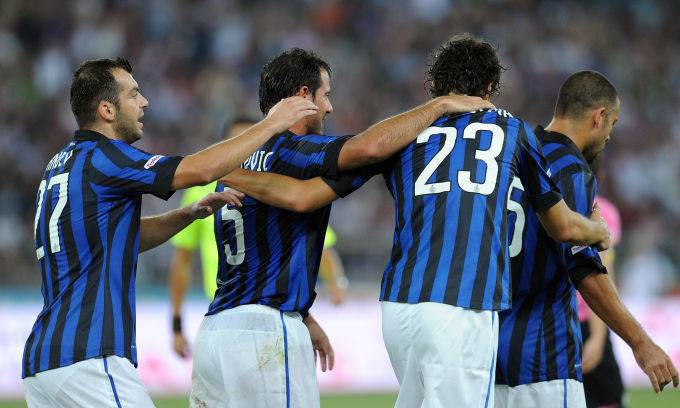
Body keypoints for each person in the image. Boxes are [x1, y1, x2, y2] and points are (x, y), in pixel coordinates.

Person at [217, 35, 611, 407]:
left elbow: (303, 197)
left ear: (435, 85)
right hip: (462, 303)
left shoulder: (402, 134)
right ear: (490, 87)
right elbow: (563, 227)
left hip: (399, 308)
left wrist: (221, 170)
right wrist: (597, 230)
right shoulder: (514, 131)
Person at [189, 47, 495, 408]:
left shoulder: (235, 159)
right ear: (304, 96)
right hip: (266, 331)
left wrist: (305, 317)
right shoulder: (293, 149)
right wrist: (440, 105)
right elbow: (369, 149)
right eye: (326, 94)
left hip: (216, 330)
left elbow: (293, 210)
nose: (330, 107)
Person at [21, 57, 319, 408]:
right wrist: (272, 124)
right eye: (133, 94)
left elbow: (118, 237)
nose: (144, 102)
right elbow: (200, 170)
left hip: (42, 365)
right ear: (107, 110)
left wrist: (187, 214)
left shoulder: (61, 164)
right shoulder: (107, 158)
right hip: (88, 355)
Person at [494, 71, 678, 408]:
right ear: (599, 116)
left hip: (488, 353)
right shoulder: (570, 169)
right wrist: (641, 343)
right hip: (543, 358)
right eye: (613, 124)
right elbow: (584, 269)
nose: (609, 136)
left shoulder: (511, 157)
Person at [168, 117, 257, 358]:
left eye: (252, 141)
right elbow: (182, 261)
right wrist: (176, 325)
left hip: (271, 308)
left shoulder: (279, 188)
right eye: (238, 141)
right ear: (225, 145)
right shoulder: (200, 192)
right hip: (224, 310)